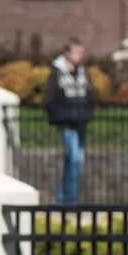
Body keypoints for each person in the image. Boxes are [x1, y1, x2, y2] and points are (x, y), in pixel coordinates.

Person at [42, 38, 94, 203]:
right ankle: (70, 199)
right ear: (67, 53)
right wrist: (60, 114)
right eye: (77, 51)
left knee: (76, 160)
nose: (80, 55)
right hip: (66, 122)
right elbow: (49, 99)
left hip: (80, 121)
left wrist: (88, 110)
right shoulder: (57, 73)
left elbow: (90, 94)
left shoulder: (82, 72)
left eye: (82, 52)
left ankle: (63, 196)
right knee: (75, 158)